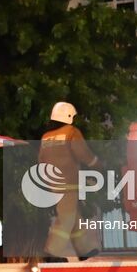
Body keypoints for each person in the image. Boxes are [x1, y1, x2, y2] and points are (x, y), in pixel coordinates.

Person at [39, 101, 101, 260]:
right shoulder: (71, 132)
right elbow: (83, 153)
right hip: (68, 182)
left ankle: (85, 250)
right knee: (66, 218)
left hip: (52, 183)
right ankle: (52, 252)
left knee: (74, 217)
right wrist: (97, 164)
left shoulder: (46, 137)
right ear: (68, 116)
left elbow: (40, 160)